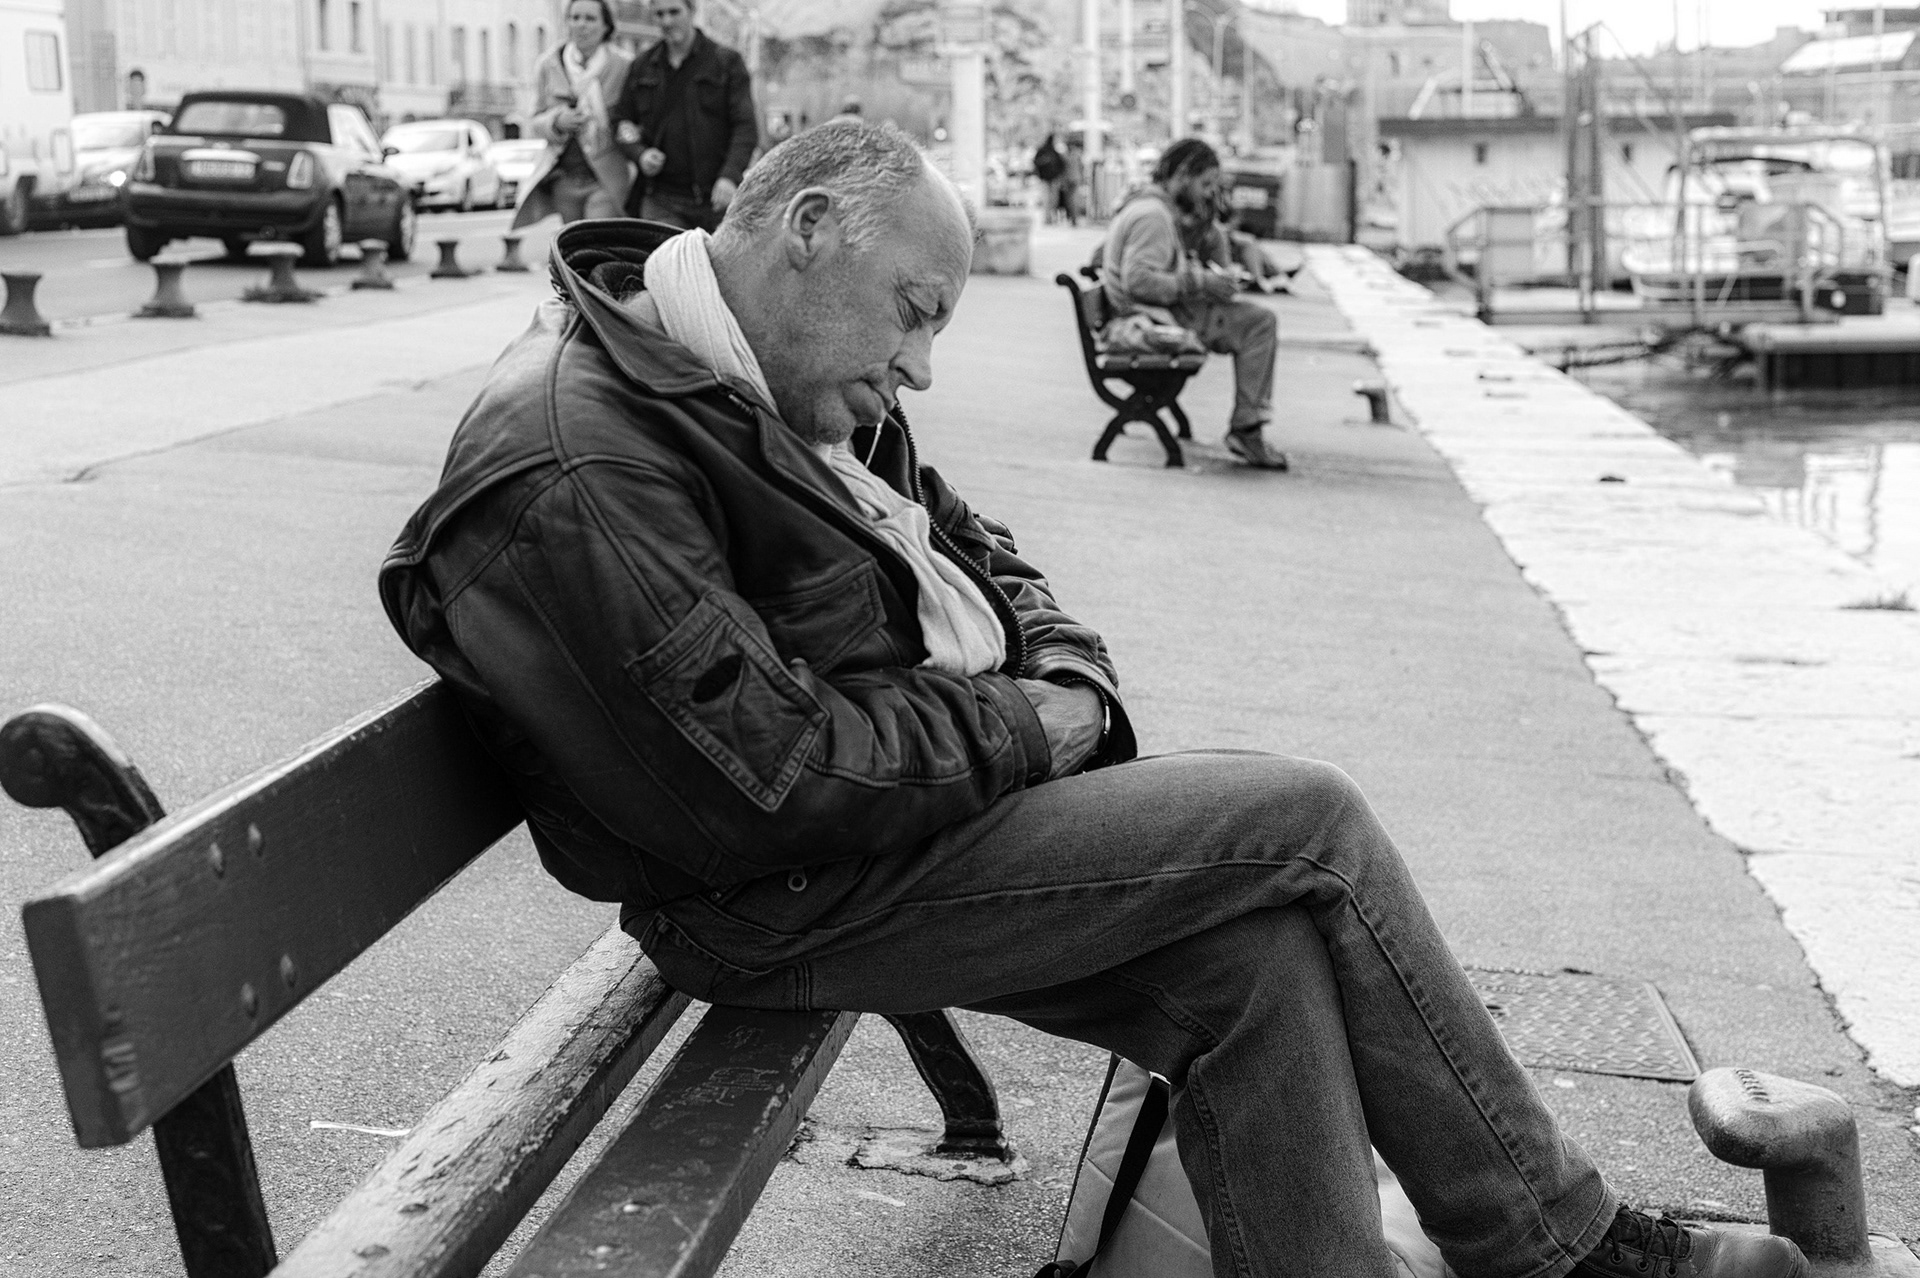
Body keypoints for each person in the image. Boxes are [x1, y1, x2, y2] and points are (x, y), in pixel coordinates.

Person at [378, 121, 1812, 1278]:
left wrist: (1066, 675)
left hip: (885, 827)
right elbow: (771, 780)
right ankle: (1554, 1246)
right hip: (774, 891)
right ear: (807, 228)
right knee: (1307, 823)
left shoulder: (763, 375)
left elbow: (981, 554)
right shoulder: (583, 459)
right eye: (915, 315)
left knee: (1257, 962)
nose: (920, 365)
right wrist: (1037, 724)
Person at [1102, 138, 1286, 470]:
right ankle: (1248, 427)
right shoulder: (1153, 216)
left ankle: (1248, 424)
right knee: (1259, 323)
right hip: (1154, 319)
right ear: (1184, 175)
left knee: (1255, 319)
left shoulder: (1154, 209)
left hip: (1161, 313)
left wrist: (1209, 243)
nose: (1208, 193)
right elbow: (1139, 281)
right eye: (1205, 184)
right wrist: (1201, 282)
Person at [611, 0, 757, 230]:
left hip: (716, 199)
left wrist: (729, 176)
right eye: (659, 14)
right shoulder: (642, 66)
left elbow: (745, 127)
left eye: (674, 12)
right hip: (661, 199)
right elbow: (621, 122)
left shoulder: (727, 62)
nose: (667, 21)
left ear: (692, 11)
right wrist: (639, 153)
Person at [514, 0, 634, 227]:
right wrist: (556, 121)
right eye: (575, 18)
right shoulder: (549, 64)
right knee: (571, 240)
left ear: (606, 26)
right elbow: (533, 120)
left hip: (605, 177)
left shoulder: (623, 65)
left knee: (595, 235)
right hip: (564, 177)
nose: (581, 25)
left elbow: (633, 118)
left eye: (590, 19)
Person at [1033, 132, 1067, 224]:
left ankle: (1050, 217)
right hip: (1046, 178)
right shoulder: (1045, 151)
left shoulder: (1054, 152)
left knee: (1052, 199)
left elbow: (1061, 165)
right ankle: (1048, 217)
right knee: (1048, 199)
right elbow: (1036, 162)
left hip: (1053, 178)